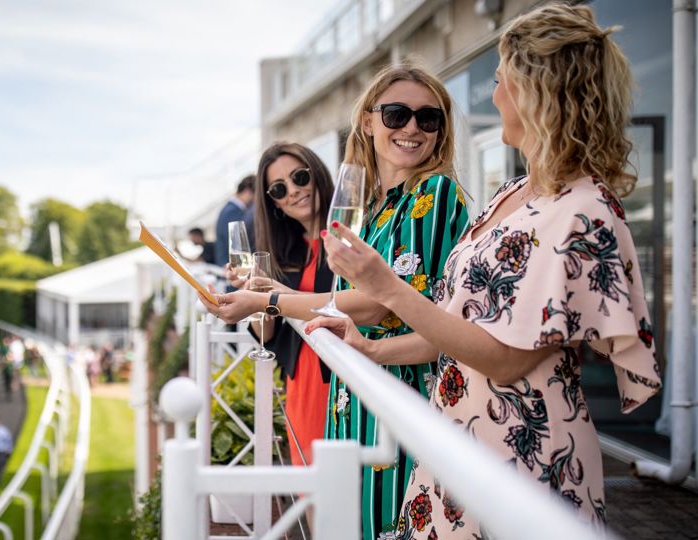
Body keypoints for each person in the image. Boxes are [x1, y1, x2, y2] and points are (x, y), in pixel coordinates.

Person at [307, 5, 662, 538]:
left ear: (535, 93)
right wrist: (371, 350)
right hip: (453, 442)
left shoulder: (583, 211)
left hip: (522, 452)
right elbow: (458, 328)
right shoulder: (512, 194)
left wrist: (387, 289)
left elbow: (505, 359)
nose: (494, 96)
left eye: (500, 81)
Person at [201, 61, 468, 538]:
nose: (412, 128)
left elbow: (378, 304)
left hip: (402, 394)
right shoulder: (382, 206)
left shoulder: (434, 191)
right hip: (359, 392)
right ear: (368, 121)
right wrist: (266, 295)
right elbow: (350, 298)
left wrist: (268, 301)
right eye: (397, 114)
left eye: (428, 118)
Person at [223, 142, 335, 468]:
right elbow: (265, 334)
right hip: (300, 381)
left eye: (300, 177)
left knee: (338, 483)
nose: (294, 191)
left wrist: (272, 297)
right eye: (279, 189)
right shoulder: (286, 251)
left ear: (317, 174)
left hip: (339, 381)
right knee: (308, 485)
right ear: (273, 203)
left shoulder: (348, 241)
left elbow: (346, 307)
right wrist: (255, 294)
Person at [214, 174, 256, 268]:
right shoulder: (232, 212)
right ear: (247, 191)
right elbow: (238, 246)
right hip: (232, 268)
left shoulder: (230, 209)